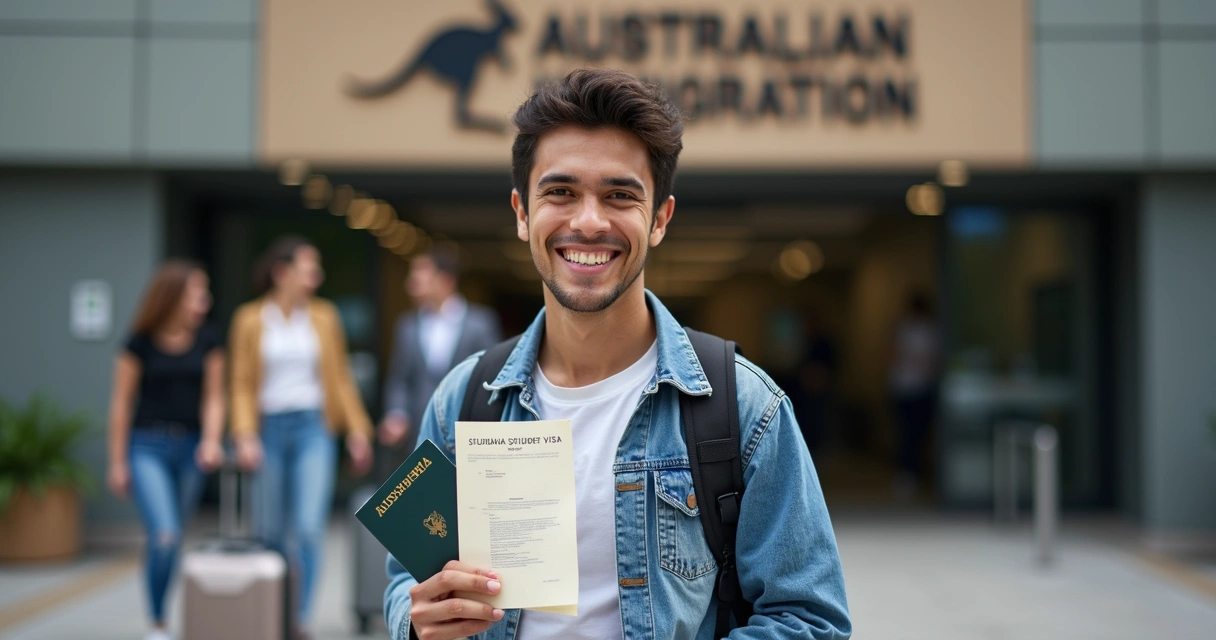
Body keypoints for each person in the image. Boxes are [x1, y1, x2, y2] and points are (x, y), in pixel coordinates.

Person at [384, 69, 851, 640]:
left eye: (619, 195)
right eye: (560, 192)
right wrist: (415, 621)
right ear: (521, 212)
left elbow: (811, 619)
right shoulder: (462, 399)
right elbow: (405, 580)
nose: (587, 221)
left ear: (659, 218)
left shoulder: (746, 409)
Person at [228, 236, 374, 636]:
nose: (317, 276)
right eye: (309, 267)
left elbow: (340, 377)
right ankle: (273, 612)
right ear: (282, 272)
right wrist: (243, 435)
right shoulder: (249, 319)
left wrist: (358, 429)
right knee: (270, 529)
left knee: (309, 527)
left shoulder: (325, 316)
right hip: (268, 429)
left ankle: (301, 616)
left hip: (314, 428)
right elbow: (240, 382)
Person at [106, 260, 225, 640]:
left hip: (191, 450)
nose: (203, 301)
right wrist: (117, 462)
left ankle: (163, 616)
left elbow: (214, 398)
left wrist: (210, 440)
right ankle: (157, 622)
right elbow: (121, 404)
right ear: (172, 295)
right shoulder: (137, 343)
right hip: (147, 447)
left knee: (172, 539)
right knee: (165, 534)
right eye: (196, 292)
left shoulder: (209, 340)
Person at [378, 246, 502, 453]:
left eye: (419, 277)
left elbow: (493, 377)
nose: (411, 284)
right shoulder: (407, 326)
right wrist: (396, 414)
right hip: (420, 434)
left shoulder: (480, 324)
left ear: (446, 280)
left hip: (469, 431)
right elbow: (399, 378)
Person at [887, 292, 941, 499]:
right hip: (902, 388)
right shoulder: (903, 329)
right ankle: (906, 473)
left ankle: (913, 473)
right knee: (905, 432)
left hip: (921, 389)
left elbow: (933, 361)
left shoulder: (930, 331)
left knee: (917, 433)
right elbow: (891, 354)